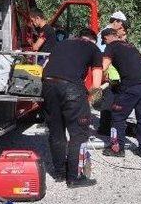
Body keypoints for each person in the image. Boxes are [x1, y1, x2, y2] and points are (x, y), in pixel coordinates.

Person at [41, 27, 102, 188]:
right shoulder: (93, 48)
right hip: (71, 88)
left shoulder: (61, 44)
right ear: (92, 40)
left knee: (56, 130)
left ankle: (60, 173)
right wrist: (91, 100)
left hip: (47, 84)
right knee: (79, 133)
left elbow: (45, 66)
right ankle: (74, 177)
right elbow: (96, 81)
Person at [101, 28, 141, 157]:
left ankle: (117, 148)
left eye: (104, 40)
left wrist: (103, 78)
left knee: (117, 115)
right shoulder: (129, 45)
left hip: (131, 85)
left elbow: (104, 66)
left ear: (107, 37)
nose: (105, 43)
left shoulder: (111, 46)